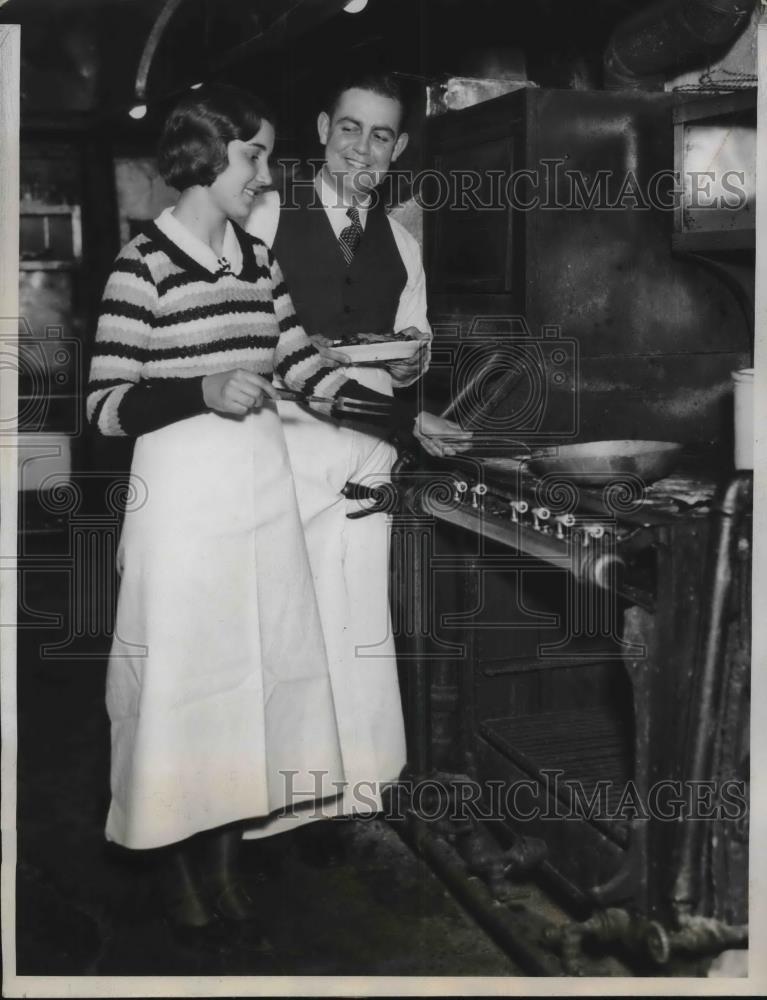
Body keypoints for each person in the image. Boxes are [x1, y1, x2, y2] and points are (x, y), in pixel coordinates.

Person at [86, 84, 425, 943]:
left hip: (260, 493)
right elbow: (102, 406)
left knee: (255, 684)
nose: (266, 174)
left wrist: (407, 419)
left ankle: (226, 863)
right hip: (182, 503)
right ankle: (171, 866)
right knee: (180, 688)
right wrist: (195, 388)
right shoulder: (143, 265)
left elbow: (300, 364)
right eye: (254, 156)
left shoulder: (254, 260)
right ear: (205, 158)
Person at [244, 72, 471, 854]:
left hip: (369, 452)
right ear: (320, 128)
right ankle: (272, 798)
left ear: (399, 147)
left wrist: (411, 367)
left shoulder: (402, 243)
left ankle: (358, 787)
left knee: (357, 619)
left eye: (380, 135)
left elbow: (416, 338)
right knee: (280, 621)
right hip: (279, 445)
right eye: (350, 129)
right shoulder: (264, 215)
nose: (362, 147)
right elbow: (240, 340)